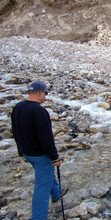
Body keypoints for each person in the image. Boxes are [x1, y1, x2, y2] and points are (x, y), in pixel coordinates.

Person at [11, 81, 62, 220]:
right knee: (42, 189)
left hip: (27, 153)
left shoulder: (18, 107)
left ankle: (57, 193)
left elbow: (15, 131)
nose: (45, 96)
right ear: (39, 93)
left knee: (46, 174)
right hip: (40, 155)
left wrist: (21, 150)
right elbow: (46, 139)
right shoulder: (39, 111)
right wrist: (55, 157)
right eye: (45, 93)